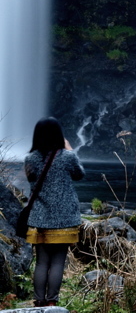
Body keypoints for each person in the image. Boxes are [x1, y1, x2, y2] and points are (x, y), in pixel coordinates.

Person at [23, 117, 85, 307]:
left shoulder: (30, 159)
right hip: (65, 219)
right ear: (59, 135)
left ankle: (39, 300)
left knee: (42, 262)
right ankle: (52, 302)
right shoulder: (67, 157)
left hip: (40, 219)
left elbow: (31, 181)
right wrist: (70, 150)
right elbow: (79, 174)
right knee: (58, 262)